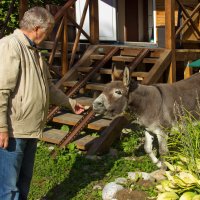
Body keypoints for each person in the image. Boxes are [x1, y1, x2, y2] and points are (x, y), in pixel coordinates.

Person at [0, 7, 84, 200]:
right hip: (13, 130)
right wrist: (1, 126)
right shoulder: (10, 46)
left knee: (23, 181)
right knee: (8, 187)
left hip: (31, 128)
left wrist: (70, 103)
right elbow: (1, 90)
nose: (48, 35)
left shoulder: (35, 52)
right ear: (37, 28)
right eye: (48, 31)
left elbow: (48, 87)